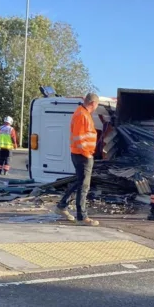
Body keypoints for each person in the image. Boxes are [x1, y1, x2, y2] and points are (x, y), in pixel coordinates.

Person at [55, 92, 100, 226]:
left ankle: (62, 206)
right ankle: (82, 217)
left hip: (80, 154)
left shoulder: (82, 113)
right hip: (82, 155)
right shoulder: (82, 115)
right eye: (97, 104)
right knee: (83, 186)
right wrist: (87, 154)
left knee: (80, 183)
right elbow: (79, 137)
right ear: (93, 103)